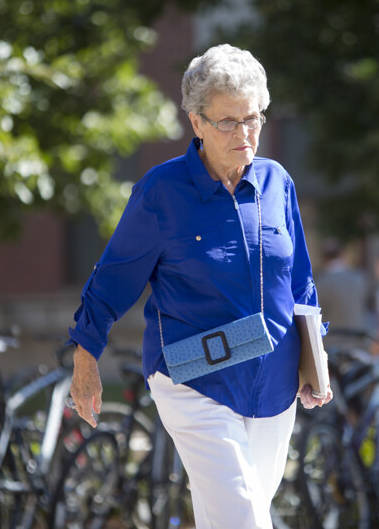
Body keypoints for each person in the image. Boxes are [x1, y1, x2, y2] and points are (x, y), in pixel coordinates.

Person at [67, 44, 332, 529]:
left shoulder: (278, 182)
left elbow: (299, 281)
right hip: (194, 377)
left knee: (233, 516)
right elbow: (114, 277)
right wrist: (85, 357)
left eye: (252, 117)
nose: (244, 132)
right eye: (227, 121)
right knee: (246, 520)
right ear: (196, 123)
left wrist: (316, 357)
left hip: (274, 382)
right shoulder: (161, 191)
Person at [314, 237, 369, 333]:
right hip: (359, 339)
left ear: (324, 259)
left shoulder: (322, 282)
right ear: (342, 255)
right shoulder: (359, 279)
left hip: (332, 341)